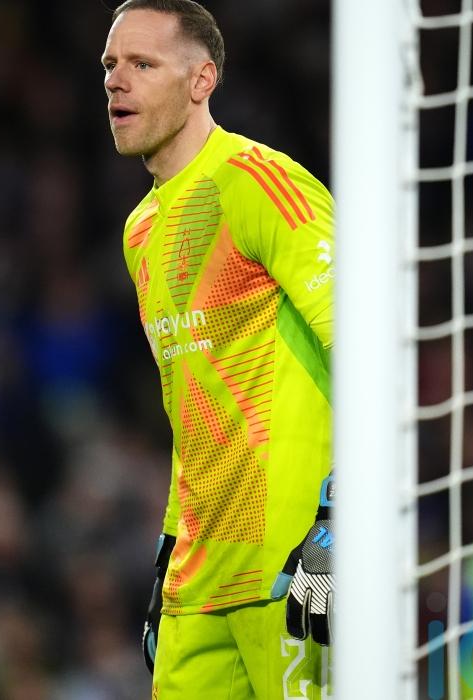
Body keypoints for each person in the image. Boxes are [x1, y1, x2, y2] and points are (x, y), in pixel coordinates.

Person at [102, 1, 335, 696]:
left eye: (142, 64)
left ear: (202, 80)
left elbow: (369, 350)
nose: (116, 81)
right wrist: (168, 549)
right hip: (197, 583)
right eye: (110, 65)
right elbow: (191, 406)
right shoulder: (140, 231)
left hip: (291, 567)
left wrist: (341, 522)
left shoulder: (258, 182)